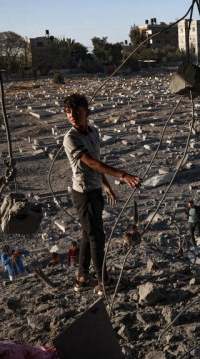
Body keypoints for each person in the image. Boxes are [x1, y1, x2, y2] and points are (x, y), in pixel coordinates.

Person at [62, 93, 142, 294]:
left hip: (95, 190)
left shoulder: (93, 133)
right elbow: (91, 162)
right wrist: (123, 175)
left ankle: (82, 279)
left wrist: (105, 185)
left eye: (76, 111)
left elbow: (95, 163)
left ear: (87, 112)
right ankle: (103, 283)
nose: (72, 115)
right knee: (96, 236)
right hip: (84, 193)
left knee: (88, 235)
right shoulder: (71, 138)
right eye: (68, 112)